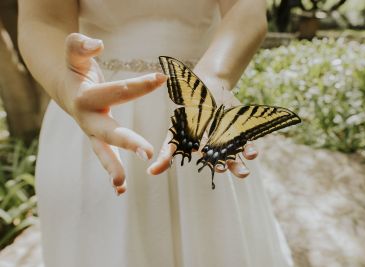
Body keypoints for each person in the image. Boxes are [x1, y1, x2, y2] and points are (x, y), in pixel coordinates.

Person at [18, 0, 293, 266]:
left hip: (205, 113)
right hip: (98, 112)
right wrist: (67, 85)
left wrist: (215, 77)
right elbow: (42, 19)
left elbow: (245, 6)